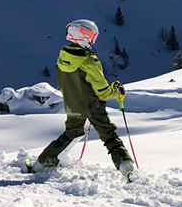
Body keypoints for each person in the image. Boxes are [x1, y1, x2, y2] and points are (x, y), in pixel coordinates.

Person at [36, 19, 134, 177]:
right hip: (93, 105)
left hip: (72, 105)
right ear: (83, 36)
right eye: (92, 37)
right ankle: (126, 167)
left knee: (71, 133)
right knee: (109, 135)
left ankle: (42, 163)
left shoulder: (62, 58)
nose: (93, 41)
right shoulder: (89, 62)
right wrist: (117, 92)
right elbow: (102, 92)